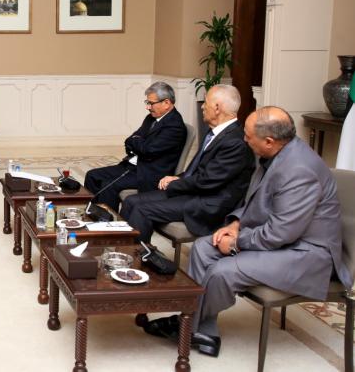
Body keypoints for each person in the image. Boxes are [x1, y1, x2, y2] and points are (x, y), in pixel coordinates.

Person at [142, 106, 353, 358]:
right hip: (283, 240)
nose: (244, 139)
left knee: (222, 271)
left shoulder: (300, 170)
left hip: (307, 254)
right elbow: (258, 200)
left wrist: (236, 242)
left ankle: (186, 323)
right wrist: (236, 224)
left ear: (269, 141)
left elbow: (281, 233)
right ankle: (202, 329)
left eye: (248, 136)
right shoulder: (275, 153)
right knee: (202, 247)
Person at [120, 85, 254, 243]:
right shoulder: (216, 132)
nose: (202, 106)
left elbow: (207, 181)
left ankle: (137, 255)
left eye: (206, 102)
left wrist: (175, 184)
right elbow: (199, 170)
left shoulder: (234, 142)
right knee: (131, 201)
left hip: (208, 204)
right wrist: (177, 177)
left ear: (217, 108)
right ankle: (122, 249)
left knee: (142, 210)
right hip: (194, 192)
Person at [84, 81, 187, 211]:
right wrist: (138, 143)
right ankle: (91, 213)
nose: (148, 107)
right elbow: (130, 140)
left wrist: (138, 143)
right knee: (92, 175)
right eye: (147, 102)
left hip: (149, 174)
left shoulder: (175, 126)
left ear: (166, 103)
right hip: (133, 166)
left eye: (151, 103)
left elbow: (148, 150)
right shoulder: (151, 118)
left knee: (108, 185)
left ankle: (107, 220)